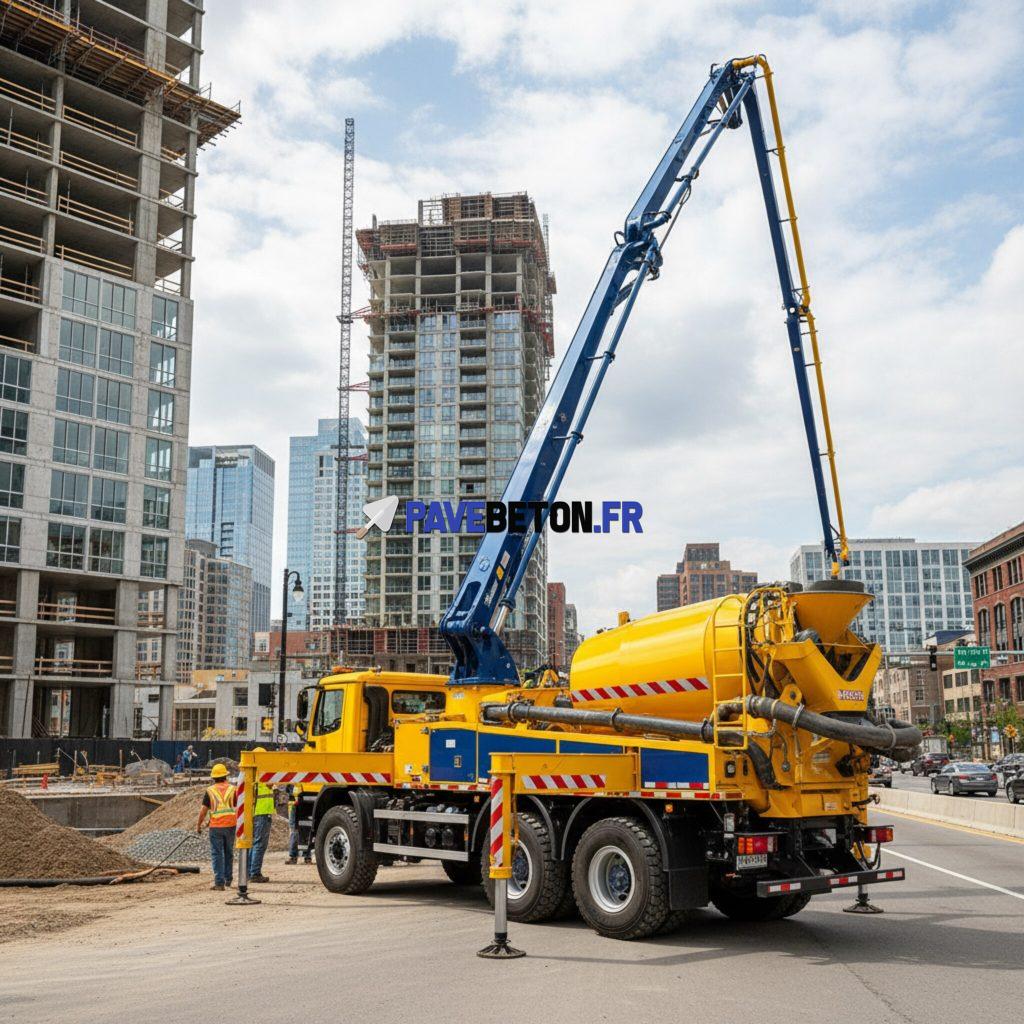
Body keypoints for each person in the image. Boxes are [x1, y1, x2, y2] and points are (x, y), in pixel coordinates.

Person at [196, 763, 236, 891]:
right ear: (226, 776)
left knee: (217, 854)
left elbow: (203, 811)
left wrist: (198, 825)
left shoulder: (210, 791)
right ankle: (228, 879)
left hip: (216, 827)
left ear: (214, 777)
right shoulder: (233, 789)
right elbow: (239, 806)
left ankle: (219, 883)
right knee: (229, 852)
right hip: (231, 824)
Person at [247, 746, 275, 882]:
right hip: (262, 812)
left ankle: (249, 871)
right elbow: (272, 783)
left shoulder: (251, 772)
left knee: (254, 842)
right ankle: (255, 873)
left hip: (254, 812)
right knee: (260, 843)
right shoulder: (263, 772)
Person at [286, 783, 312, 865]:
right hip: (304, 804)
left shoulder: (294, 780)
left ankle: (294, 857)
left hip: (297, 805)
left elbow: (289, 790)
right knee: (306, 829)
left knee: (296, 830)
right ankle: (307, 857)